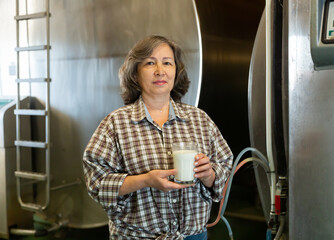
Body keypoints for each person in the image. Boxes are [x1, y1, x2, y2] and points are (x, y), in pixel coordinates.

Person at [83, 35, 233, 240]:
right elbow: (97, 181)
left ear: (176, 72)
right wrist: (145, 180)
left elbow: (224, 166)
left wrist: (209, 175)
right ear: (135, 73)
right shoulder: (115, 124)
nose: (160, 71)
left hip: (193, 236)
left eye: (167, 63)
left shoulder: (199, 120)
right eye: (150, 63)